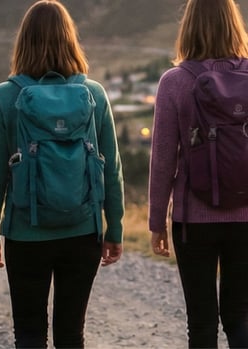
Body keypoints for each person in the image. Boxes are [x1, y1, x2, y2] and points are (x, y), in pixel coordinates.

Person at [0, 1, 124, 348]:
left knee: (29, 334)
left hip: (26, 234)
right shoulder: (93, 94)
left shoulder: (6, 96)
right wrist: (114, 229)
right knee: (71, 334)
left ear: (23, 42)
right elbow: (112, 169)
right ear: (70, 40)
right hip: (82, 231)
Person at [148, 0, 248, 347]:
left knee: (202, 322)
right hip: (246, 218)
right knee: (241, 317)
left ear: (188, 26)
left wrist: (156, 222)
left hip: (194, 221)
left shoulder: (175, 81)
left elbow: (163, 160)